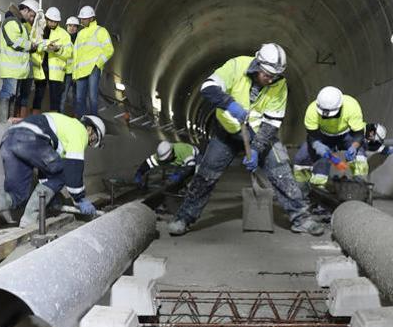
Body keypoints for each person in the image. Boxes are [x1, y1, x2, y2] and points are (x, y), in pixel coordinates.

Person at [167, 43, 323, 236]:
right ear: (257, 64)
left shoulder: (279, 85)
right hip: (226, 132)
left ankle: (301, 218)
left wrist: (256, 149)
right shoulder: (236, 66)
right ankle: (184, 218)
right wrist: (229, 104)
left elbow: (272, 122)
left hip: (259, 134)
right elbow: (207, 87)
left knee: (282, 171)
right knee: (206, 175)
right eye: (267, 74)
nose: (270, 79)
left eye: (274, 76)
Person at [0, 113, 106, 237]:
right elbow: (73, 168)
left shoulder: (63, 127)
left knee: (18, 195)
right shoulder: (79, 131)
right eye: (93, 139)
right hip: (30, 137)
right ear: (89, 129)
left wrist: (49, 198)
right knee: (63, 172)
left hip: (9, 138)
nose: (89, 143)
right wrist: (80, 199)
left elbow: (46, 168)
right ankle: (29, 219)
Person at [292, 86, 365, 190]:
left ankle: (361, 185)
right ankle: (303, 190)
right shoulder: (312, 111)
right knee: (301, 158)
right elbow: (312, 134)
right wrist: (317, 145)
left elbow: (359, 133)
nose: (328, 118)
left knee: (360, 154)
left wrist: (354, 146)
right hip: (323, 136)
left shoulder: (351, 105)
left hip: (346, 135)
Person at [0, 0, 38, 122]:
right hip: (11, 68)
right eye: (31, 15)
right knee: (7, 93)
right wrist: (30, 45)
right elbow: (14, 41)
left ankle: (8, 121)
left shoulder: (20, 24)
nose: (31, 19)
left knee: (13, 96)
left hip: (17, 70)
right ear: (25, 10)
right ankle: (3, 122)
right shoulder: (11, 22)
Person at [73, 6, 114, 117]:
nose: (81, 21)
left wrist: (97, 64)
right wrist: (74, 74)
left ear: (91, 18)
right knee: (79, 99)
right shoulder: (80, 34)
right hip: (81, 72)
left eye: (84, 19)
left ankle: (93, 125)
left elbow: (109, 49)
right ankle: (82, 124)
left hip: (93, 70)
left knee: (92, 98)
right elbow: (75, 53)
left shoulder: (100, 31)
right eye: (81, 18)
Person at [31, 7, 73, 113]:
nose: (53, 23)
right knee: (38, 95)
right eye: (51, 21)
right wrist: (44, 47)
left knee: (55, 99)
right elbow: (34, 45)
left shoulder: (64, 34)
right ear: (46, 18)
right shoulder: (40, 30)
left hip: (56, 73)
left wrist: (58, 49)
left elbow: (69, 53)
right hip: (41, 68)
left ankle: (54, 123)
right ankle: (35, 119)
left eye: (55, 22)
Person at [135, 141, 200, 185]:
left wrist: (180, 175)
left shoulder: (183, 150)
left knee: (195, 179)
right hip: (181, 163)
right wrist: (140, 172)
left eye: (166, 158)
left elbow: (190, 168)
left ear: (171, 153)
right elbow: (148, 163)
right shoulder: (160, 155)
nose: (164, 160)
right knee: (179, 176)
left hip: (196, 158)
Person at [60, 16, 80, 113]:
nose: (72, 28)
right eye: (70, 26)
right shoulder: (63, 39)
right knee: (63, 96)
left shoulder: (80, 40)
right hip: (67, 72)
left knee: (77, 97)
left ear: (77, 28)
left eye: (74, 26)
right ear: (66, 26)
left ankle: (76, 118)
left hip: (77, 73)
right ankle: (61, 118)